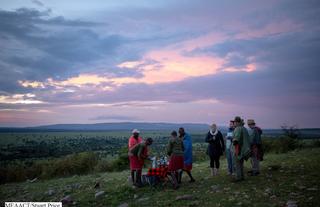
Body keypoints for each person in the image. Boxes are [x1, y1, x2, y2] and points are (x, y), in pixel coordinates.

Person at [232, 116, 251, 182]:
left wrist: (233, 141)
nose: (234, 123)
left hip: (239, 148)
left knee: (237, 164)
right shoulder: (244, 128)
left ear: (237, 122)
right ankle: (242, 176)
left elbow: (236, 139)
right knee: (241, 164)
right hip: (245, 149)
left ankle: (238, 177)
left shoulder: (238, 128)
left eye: (234, 122)